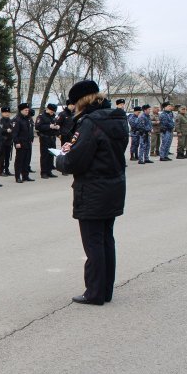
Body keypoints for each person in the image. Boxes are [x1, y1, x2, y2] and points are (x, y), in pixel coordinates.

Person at [55, 80, 129, 306]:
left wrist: (61, 158)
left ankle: (94, 292)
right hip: (114, 184)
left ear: (81, 101)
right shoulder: (117, 117)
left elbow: (76, 162)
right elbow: (102, 150)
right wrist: (74, 148)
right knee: (106, 239)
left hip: (93, 189)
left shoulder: (89, 122)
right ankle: (105, 290)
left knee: (94, 243)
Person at [35, 103, 60, 178]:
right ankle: (44, 172)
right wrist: (49, 126)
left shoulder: (53, 116)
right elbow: (38, 126)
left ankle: (49, 171)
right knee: (45, 155)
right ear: (48, 109)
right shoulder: (41, 116)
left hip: (52, 138)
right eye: (51, 111)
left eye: (53, 112)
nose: (52, 113)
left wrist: (57, 127)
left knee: (51, 155)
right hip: (45, 138)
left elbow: (55, 124)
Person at [12, 103, 34, 183]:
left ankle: (25, 176)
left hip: (28, 143)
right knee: (19, 160)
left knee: (27, 160)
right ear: (21, 110)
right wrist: (17, 142)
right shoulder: (17, 119)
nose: (27, 111)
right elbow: (14, 133)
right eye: (25, 110)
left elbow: (30, 130)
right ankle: (17, 177)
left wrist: (31, 139)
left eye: (28, 110)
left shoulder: (28, 119)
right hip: (21, 143)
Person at [0, 107, 14, 177]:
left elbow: (13, 128)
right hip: (2, 142)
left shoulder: (10, 121)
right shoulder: (0, 121)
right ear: (2, 113)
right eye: (5, 112)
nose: (7, 114)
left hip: (9, 141)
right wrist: (6, 130)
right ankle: (1, 171)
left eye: (8, 112)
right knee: (2, 157)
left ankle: (7, 170)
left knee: (8, 157)